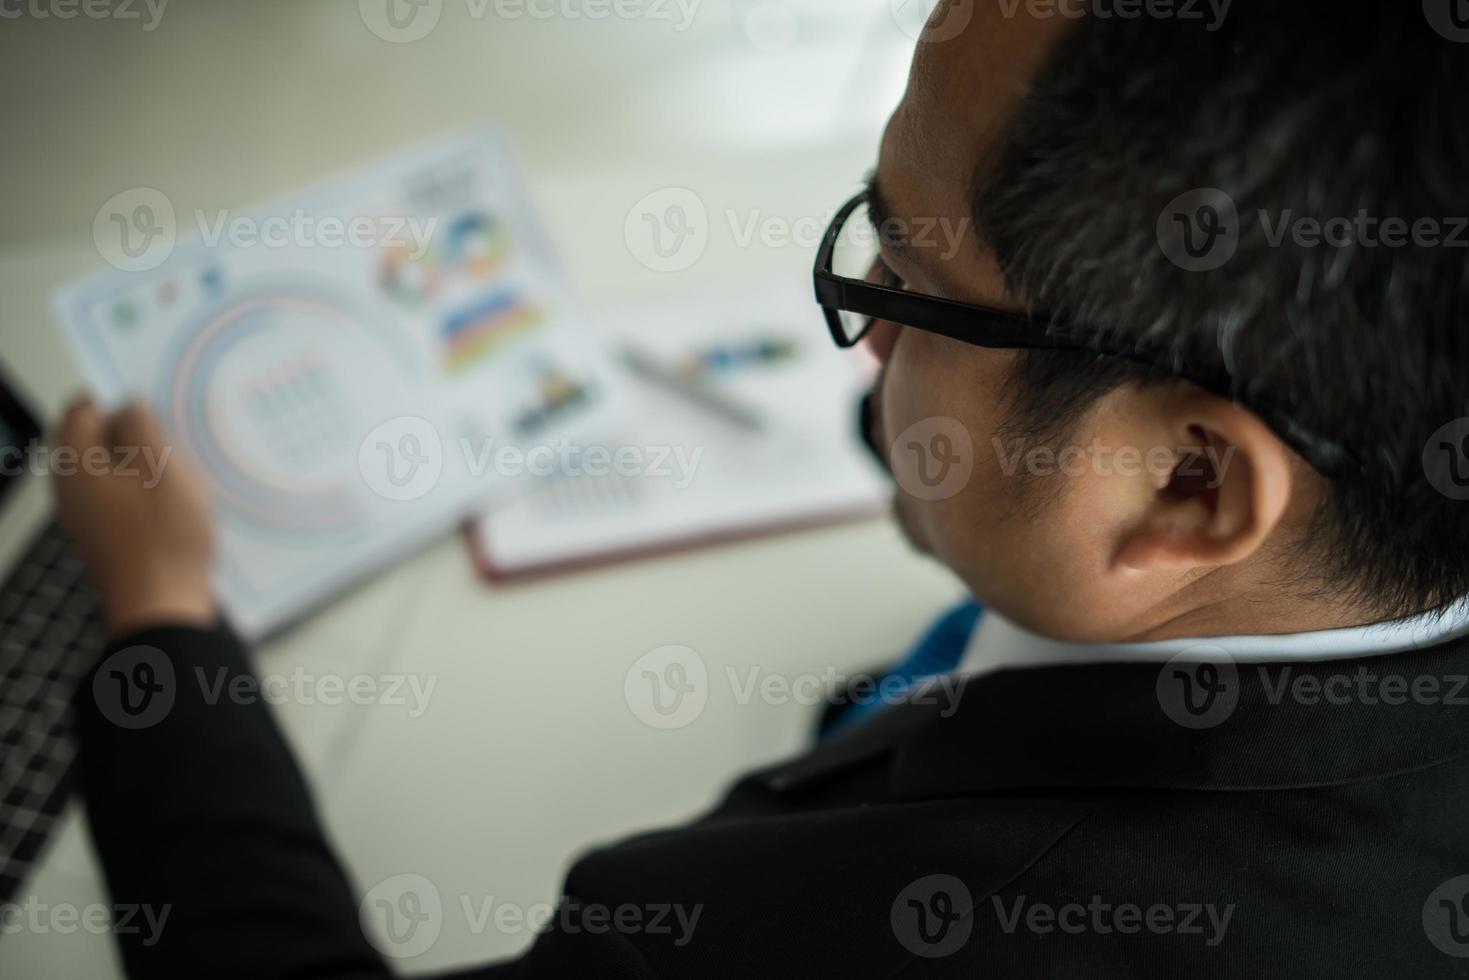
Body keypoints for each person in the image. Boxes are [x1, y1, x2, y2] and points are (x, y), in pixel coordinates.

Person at [52, 3, 1469, 976]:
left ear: (1184, 486)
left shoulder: (768, 934)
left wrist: (162, 619)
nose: (863, 341)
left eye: (901, 273)